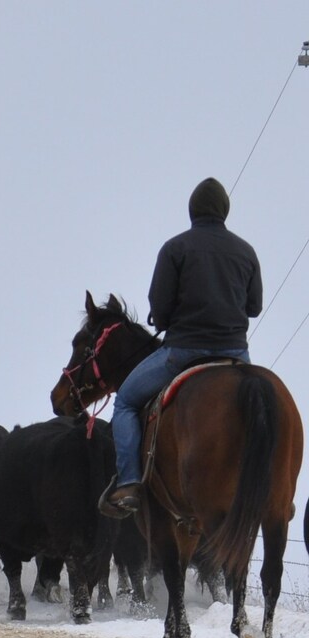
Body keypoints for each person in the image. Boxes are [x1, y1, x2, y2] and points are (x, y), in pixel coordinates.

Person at [103, 177, 261, 515]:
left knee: (126, 403)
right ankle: (272, 489)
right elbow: (254, 307)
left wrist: (165, 319)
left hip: (183, 352)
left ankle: (129, 482)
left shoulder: (175, 248)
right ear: (224, 211)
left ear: (192, 210)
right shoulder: (247, 252)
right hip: (237, 356)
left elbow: (159, 308)